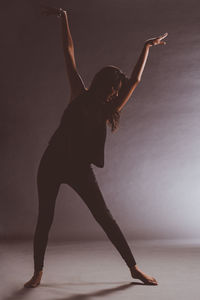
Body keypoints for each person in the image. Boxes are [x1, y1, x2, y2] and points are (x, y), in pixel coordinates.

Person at [24, 5, 168, 288]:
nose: (118, 91)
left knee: (104, 217)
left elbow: (135, 81)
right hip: (52, 163)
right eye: (116, 87)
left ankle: (134, 268)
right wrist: (64, 16)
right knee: (45, 217)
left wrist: (146, 47)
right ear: (107, 85)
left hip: (78, 168)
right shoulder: (80, 92)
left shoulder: (108, 107)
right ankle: (37, 272)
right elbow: (68, 51)